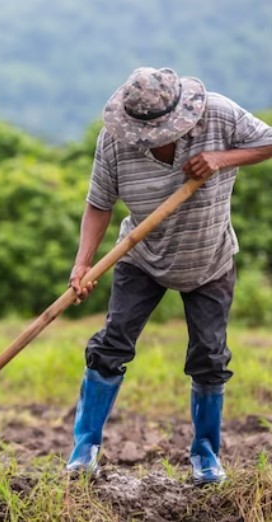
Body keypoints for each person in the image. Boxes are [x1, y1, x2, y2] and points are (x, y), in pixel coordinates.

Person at [66, 67, 272, 485]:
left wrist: (222, 158)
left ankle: (206, 456)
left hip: (209, 260)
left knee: (210, 358)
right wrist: (82, 264)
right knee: (111, 345)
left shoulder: (219, 115)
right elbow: (99, 204)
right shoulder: (115, 142)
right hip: (141, 258)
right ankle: (83, 449)